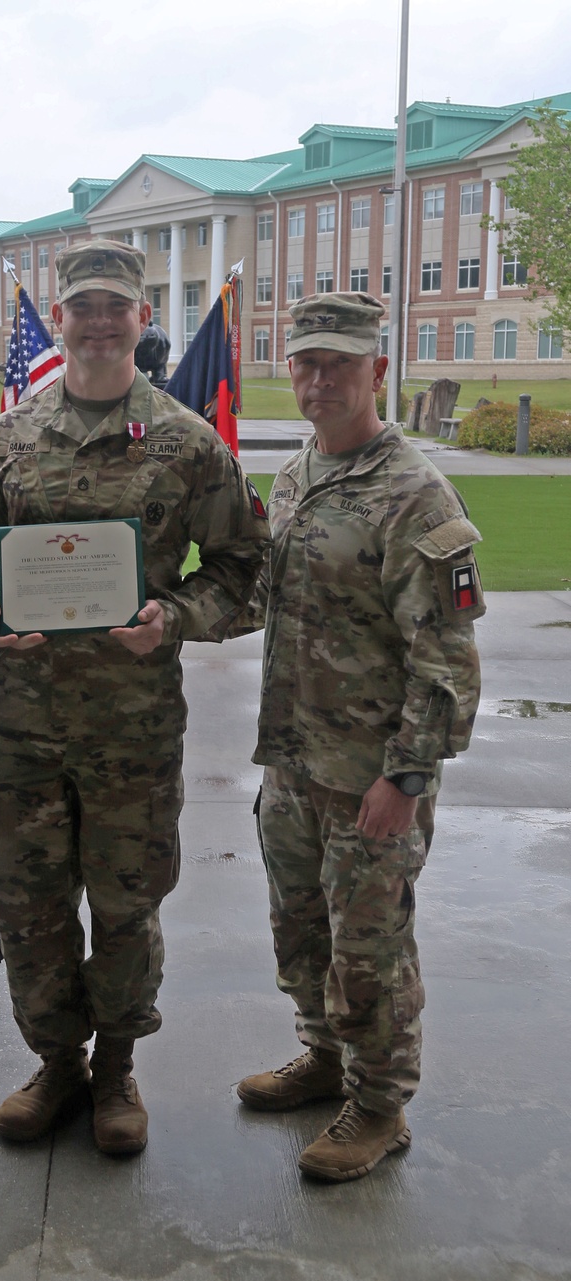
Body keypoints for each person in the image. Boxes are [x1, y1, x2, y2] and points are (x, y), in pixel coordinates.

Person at [0, 239, 270, 1155]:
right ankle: (56, 1065)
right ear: (63, 314)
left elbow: (248, 567)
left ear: (142, 318)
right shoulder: (6, 441)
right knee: (27, 899)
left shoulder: (186, 442)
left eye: (114, 307)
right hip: (23, 727)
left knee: (126, 902)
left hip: (133, 725)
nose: (96, 322)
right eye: (81, 306)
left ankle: (118, 1067)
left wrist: (174, 618)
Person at [233, 292, 485, 1182]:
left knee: (369, 952)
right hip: (295, 764)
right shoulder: (299, 473)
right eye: (306, 362)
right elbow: (276, 604)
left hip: (371, 779)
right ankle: (325, 1059)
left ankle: (379, 1108)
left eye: (340, 363)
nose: (320, 378)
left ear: (378, 370)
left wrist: (407, 778)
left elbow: (446, 658)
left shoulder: (415, 494)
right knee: (301, 934)